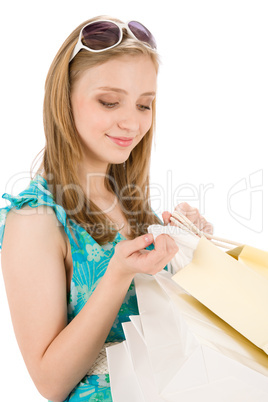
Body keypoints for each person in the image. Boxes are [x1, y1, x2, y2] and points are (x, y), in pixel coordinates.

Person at [0, 16, 212, 402]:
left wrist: (193, 253)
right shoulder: (34, 220)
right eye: (110, 101)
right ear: (63, 99)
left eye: (144, 105)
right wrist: (117, 276)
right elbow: (49, 382)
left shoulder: (131, 205)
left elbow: (167, 335)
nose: (132, 122)